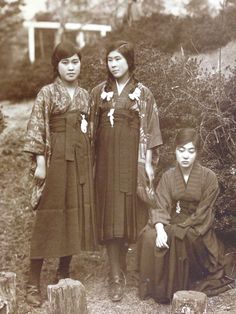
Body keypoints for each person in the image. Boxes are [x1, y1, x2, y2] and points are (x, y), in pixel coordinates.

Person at [23, 40, 97, 307]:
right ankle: (32, 281)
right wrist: (41, 163)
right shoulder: (47, 93)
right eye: (64, 62)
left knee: (73, 215)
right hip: (54, 161)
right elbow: (37, 127)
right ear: (56, 66)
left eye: (75, 62)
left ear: (81, 64)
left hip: (78, 162)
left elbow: (89, 132)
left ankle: (63, 272)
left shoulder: (85, 95)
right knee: (48, 218)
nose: (70, 67)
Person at [90, 40, 162, 301]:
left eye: (118, 59)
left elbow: (152, 131)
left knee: (133, 213)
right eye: (110, 59)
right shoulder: (99, 92)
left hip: (133, 162)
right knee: (111, 215)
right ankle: (115, 276)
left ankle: (134, 270)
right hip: (106, 165)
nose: (114, 64)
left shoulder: (143, 93)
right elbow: (89, 132)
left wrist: (148, 166)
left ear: (129, 61)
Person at [138, 128, 233, 304]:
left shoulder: (209, 177)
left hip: (197, 226)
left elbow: (204, 212)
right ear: (175, 150)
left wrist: (178, 228)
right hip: (173, 217)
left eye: (191, 151)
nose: (185, 156)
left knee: (179, 236)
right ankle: (154, 287)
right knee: (149, 235)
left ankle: (173, 288)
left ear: (197, 153)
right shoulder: (168, 176)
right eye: (181, 150)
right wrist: (160, 228)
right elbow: (161, 204)